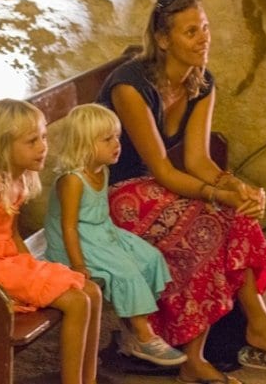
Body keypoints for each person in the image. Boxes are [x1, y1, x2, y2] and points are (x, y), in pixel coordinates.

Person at [96, 0, 266, 383]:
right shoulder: (130, 87)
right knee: (204, 223)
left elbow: (199, 160)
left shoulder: (200, 81)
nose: (203, 39)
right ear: (164, 40)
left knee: (233, 213)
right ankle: (195, 358)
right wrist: (219, 195)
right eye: (190, 32)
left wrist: (240, 189)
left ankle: (258, 325)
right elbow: (164, 170)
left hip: (159, 187)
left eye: (205, 27)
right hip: (117, 193)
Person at [0, 98, 103, 384]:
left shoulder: (19, 178)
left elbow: (11, 233)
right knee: (77, 302)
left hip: (4, 261)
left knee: (92, 292)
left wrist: (34, 267)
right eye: (32, 141)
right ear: (3, 146)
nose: (43, 146)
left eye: (43, 137)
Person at [44, 103, 187, 367]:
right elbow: (68, 227)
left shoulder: (102, 170)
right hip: (72, 244)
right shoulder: (73, 180)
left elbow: (98, 215)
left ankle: (132, 330)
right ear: (84, 145)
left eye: (117, 137)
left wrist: (118, 242)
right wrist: (77, 265)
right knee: (126, 273)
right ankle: (144, 337)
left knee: (149, 258)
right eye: (107, 139)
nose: (117, 144)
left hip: (101, 232)